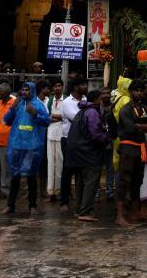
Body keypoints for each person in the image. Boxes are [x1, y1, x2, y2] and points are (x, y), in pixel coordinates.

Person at [2, 81, 50, 214]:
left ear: (32, 91)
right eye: (23, 90)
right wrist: (12, 108)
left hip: (32, 146)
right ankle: (10, 205)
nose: (24, 92)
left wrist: (35, 114)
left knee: (31, 175)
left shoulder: (38, 105)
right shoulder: (17, 104)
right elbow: (7, 121)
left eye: (27, 90)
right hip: (16, 144)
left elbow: (46, 121)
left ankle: (32, 206)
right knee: (15, 175)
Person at [65, 88, 110, 222]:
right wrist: (107, 137)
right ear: (96, 99)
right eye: (102, 97)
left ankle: (79, 209)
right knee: (91, 183)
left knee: (80, 183)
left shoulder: (82, 111)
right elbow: (96, 135)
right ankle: (85, 211)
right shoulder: (92, 113)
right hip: (89, 154)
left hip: (77, 154)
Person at [115, 80, 147, 226]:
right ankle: (119, 216)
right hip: (128, 148)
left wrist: (139, 125)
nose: (139, 93)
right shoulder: (125, 109)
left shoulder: (143, 108)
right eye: (136, 91)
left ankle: (135, 213)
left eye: (141, 91)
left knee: (137, 180)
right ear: (131, 92)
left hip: (140, 148)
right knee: (124, 181)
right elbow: (129, 128)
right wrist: (144, 126)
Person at [58, 79, 87, 211]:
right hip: (69, 139)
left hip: (83, 140)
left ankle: (80, 202)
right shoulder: (67, 102)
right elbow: (76, 118)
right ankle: (64, 202)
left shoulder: (85, 98)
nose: (85, 86)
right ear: (76, 87)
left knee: (81, 171)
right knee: (68, 170)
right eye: (83, 84)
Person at [44, 78, 66, 202]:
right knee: (50, 164)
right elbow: (45, 116)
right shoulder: (50, 100)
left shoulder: (66, 100)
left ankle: (60, 191)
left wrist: (52, 116)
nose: (57, 88)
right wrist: (54, 117)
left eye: (59, 86)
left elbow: (66, 116)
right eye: (55, 86)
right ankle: (51, 192)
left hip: (61, 135)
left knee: (60, 164)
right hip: (51, 133)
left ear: (62, 87)